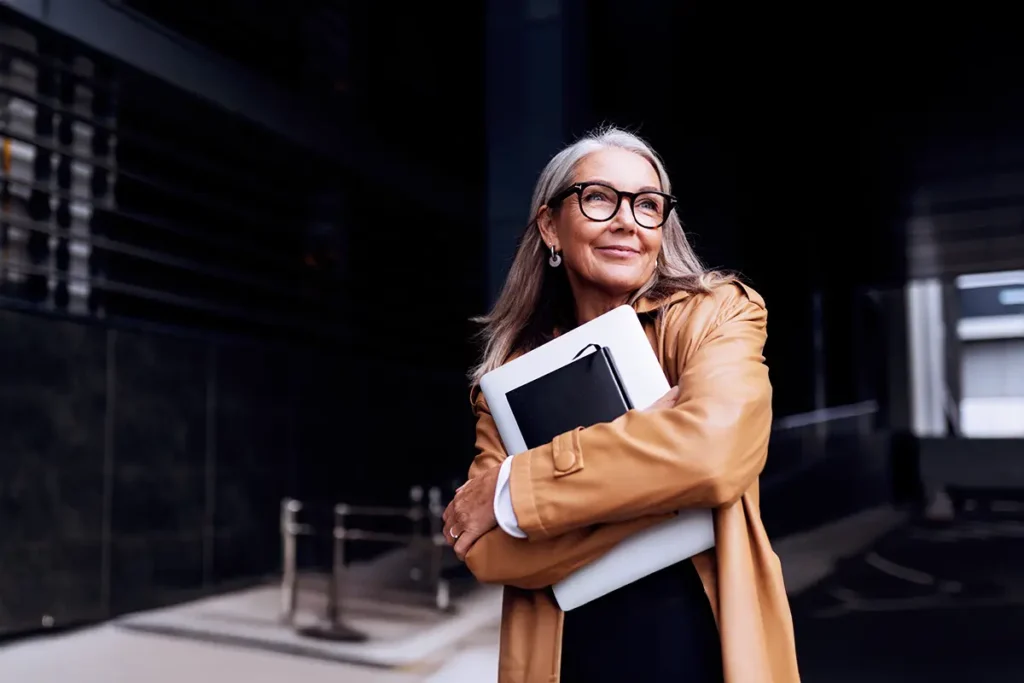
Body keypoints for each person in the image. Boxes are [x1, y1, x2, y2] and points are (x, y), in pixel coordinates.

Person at [442, 126, 800, 683]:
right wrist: (666, 480)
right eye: (599, 198)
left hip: (700, 651)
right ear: (549, 226)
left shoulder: (718, 314)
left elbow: (712, 457)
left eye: (648, 205)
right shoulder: (508, 379)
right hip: (568, 660)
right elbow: (486, 549)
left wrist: (518, 492)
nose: (626, 220)